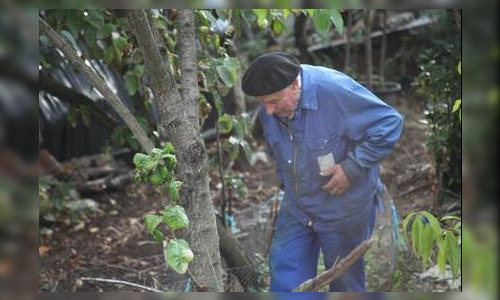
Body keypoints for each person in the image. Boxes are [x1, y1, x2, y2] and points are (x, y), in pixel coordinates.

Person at [242, 52, 403, 292]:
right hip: (298, 206)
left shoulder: (336, 91)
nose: (267, 111)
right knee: (286, 277)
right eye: (263, 103)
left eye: (274, 101)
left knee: (344, 282)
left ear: (295, 85)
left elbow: (390, 123)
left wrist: (352, 168)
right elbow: (278, 149)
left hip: (343, 208)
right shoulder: (273, 106)